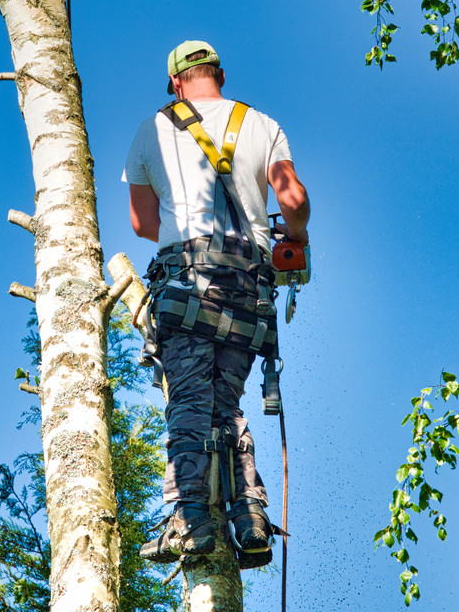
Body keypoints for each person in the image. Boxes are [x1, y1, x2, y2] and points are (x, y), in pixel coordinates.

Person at [124, 40, 309, 568]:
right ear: (219, 75)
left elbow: (141, 224)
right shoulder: (262, 124)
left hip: (185, 289)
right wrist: (296, 242)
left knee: (189, 402)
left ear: (176, 83)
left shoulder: (151, 128)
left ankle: (190, 520)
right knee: (226, 406)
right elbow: (292, 201)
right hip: (249, 291)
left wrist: (189, 241)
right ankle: (249, 518)